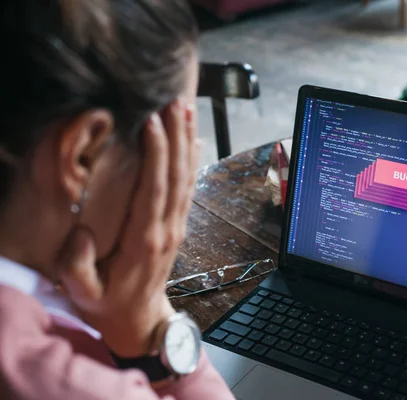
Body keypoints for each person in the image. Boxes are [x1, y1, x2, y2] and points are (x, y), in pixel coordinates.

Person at [0, 1, 234, 399]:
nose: (183, 184)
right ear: (83, 155)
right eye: (178, 143)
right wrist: (149, 328)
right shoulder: (63, 384)